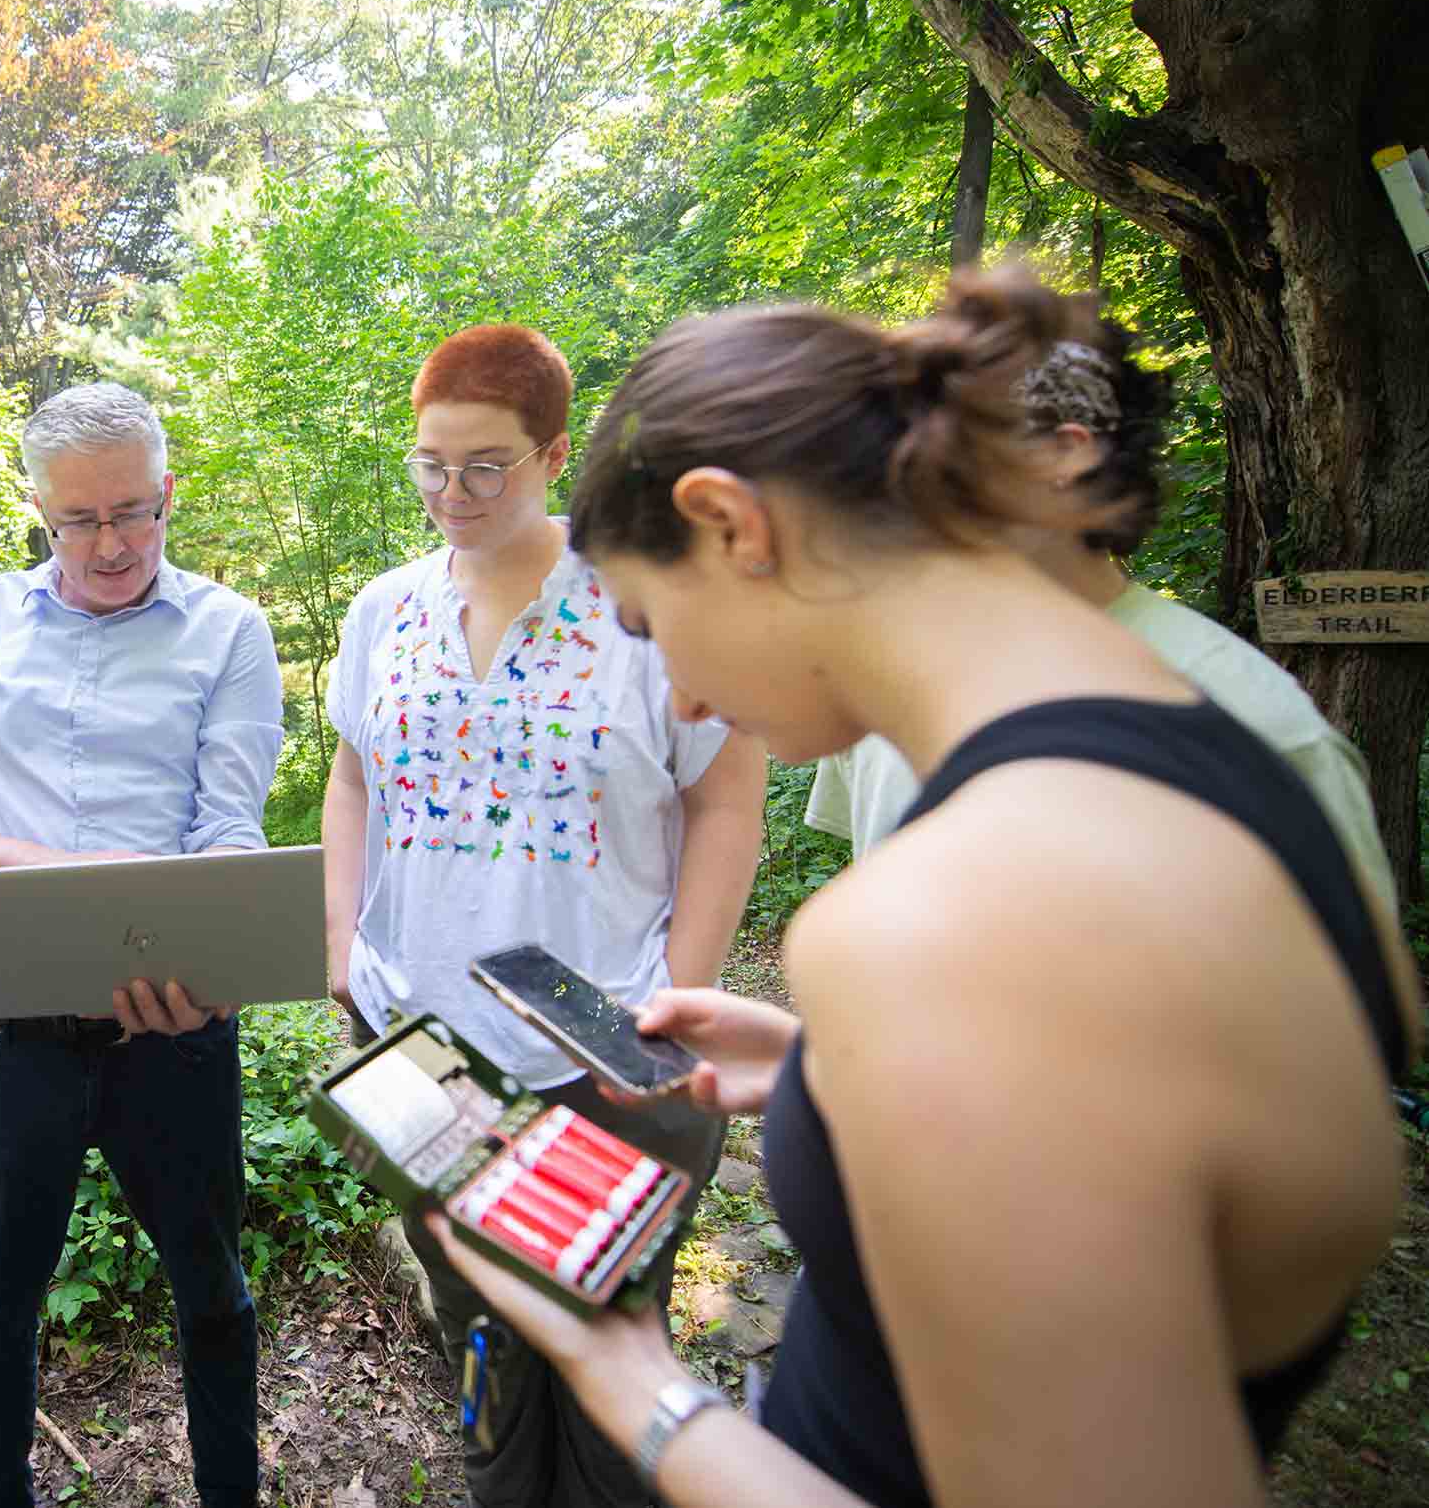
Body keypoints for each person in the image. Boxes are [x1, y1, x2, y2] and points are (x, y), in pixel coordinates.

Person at [429, 271, 1421, 1508]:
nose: (676, 696)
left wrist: (634, 1378)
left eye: (648, 619)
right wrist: (830, 1076)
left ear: (731, 523)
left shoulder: (951, 926)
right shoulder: (1215, 754)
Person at [319, 323, 768, 1508]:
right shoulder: (384, 610)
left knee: (612, 1328)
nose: (450, 493)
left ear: (554, 454)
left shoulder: (644, 607)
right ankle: (496, 1488)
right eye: (429, 463)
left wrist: (670, 999)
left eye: (485, 465)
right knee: (472, 1326)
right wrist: (340, 946)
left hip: (602, 1045)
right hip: (418, 1040)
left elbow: (726, 793)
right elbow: (352, 774)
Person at [0, 382, 285, 1508]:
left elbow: (228, 828)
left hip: (179, 1029)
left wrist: (211, 962)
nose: (109, 546)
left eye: (134, 513)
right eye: (78, 520)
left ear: (168, 490)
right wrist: (54, 873)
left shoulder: (230, 629)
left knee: (212, 1288)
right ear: (37, 510)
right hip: (8, 1030)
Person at [806, 341, 1398, 909]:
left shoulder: (1251, 721)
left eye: (924, 450)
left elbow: (1337, 1004)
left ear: (1063, 455)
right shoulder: (880, 683)